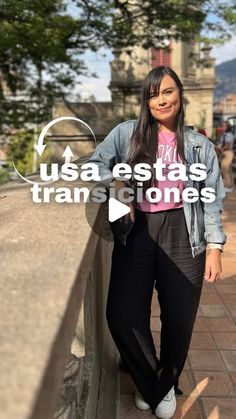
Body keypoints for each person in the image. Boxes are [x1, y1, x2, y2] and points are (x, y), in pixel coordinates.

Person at [88, 66, 226, 418]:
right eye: (153, 94)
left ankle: (162, 387)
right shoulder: (126, 134)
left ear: (180, 94)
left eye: (167, 92)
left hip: (184, 231)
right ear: (145, 101)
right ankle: (153, 382)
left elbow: (211, 198)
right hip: (137, 230)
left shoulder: (199, 145)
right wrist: (120, 188)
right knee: (121, 315)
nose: (161, 100)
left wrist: (215, 247)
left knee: (178, 318)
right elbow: (93, 165)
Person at [215, 122, 235, 193]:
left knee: (225, 169)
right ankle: (231, 186)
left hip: (228, 153)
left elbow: (228, 145)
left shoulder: (228, 135)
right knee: (228, 170)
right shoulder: (225, 134)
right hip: (225, 153)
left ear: (228, 127)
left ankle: (228, 186)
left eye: (224, 126)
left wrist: (221, 149)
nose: (222, 127)